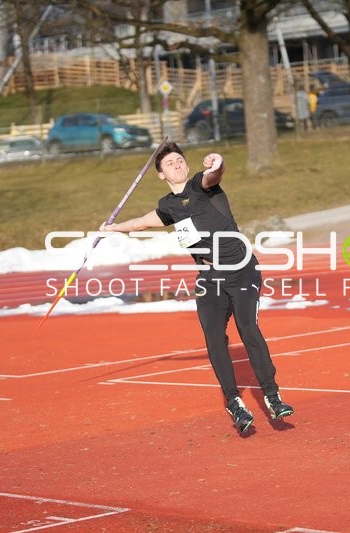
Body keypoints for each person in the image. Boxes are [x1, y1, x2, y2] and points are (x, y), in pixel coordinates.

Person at [98, 142, 294, 434]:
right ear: (161, 175)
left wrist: (217, 162)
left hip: (241, 270)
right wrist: (112, 228)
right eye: (169, 164)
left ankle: (272, 396)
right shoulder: (168, 206)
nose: (176, 165)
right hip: (210, 276)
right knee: (214, 339)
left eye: (180, 160)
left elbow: (213, 175)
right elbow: (142, 223)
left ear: (187, 166)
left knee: (247, 328)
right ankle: (235, 403)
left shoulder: (201, 186)